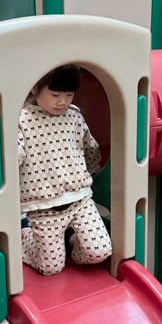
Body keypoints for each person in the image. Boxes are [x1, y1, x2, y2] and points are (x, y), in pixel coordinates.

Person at [18, 64, 112, 275]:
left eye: (69, 95)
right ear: (34, 87)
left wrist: (91, 168)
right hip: (45, 206)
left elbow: (89, 147)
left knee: (100, 251)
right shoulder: (22, 119)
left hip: (80, 199)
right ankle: (26, 235)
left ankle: (68, 240)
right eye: (55, 94)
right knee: (50, 268)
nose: (63, 101)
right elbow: (14, 157)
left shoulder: (74, 116)